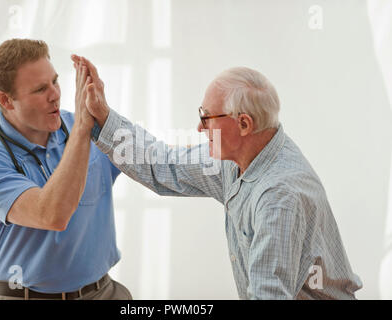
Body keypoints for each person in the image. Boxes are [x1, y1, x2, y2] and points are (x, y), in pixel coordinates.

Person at [75, 55, 363, 299]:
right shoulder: (238, 158)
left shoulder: (278, 196)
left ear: (244, 124)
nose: (200, 128)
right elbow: (164, 165)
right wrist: (103, 115)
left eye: (207, 117)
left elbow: (268, 294)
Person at [0, 39, 132, 300]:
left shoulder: (86, 125)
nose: (55, 94)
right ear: (6, 100)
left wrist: (214, 137)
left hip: (104, 292)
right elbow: (52, 215)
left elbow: (155, 158)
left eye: (55, 81)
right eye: (41, 89)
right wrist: (83, 128)